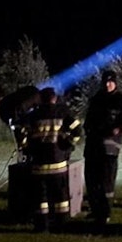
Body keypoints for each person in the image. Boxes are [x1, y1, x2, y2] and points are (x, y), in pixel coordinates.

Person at [17, 87, 82, 232]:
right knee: (61, 198)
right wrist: (67, 145)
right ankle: (62, 225)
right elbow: (77, 130)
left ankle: (41, 226)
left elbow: (21, 135)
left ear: (40, 99)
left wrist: (27, 149)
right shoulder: (63, 112)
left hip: (39, 164)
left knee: (41, 198)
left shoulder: (33, 115)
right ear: (55, 98)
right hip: (58, 163)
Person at [83, 70, 122, 225]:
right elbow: (88, 120)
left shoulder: (121, 101)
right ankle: (95, 211)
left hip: (109, 148)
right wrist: (87, 129)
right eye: (105, 82)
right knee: (92, 181)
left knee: (106, 183)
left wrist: (119, 128)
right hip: (92, 146)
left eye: (110, 82)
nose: (107, 84)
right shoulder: (96, 100)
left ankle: (105, 213)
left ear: (115, 83)